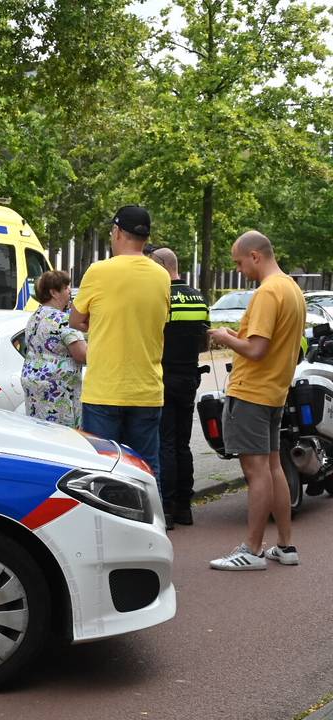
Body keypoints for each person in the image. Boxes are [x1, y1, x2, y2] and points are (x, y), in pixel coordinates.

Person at [207, 231, 306, 570]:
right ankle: (286, 545)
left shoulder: (267, 293)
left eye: (238, 262)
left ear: (255, 256)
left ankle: (252, 549)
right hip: (276, 391)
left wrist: (224, 338)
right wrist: (240, 338)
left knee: (256, 471)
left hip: (251, 392)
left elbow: (257, 350)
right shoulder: (293, 290)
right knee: (274, 466)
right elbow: (272, 345)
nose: (239, 270)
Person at [69, 205, 170, 478]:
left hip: (105, 390)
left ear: (117, 232)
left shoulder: (98, 271)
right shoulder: (162, 276)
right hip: (147, 390)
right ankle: (153, 521)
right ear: (146, 238)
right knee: (147, 469)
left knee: (102, 471)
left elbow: (75, 320)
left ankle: (108, 522)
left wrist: (100, 322)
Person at [151, 247, 209, 527]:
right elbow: (204, 340)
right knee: (183, 443)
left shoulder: (161, 296)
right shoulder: (198, 297)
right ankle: (185, 506)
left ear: (161, 266)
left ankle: (168, 507)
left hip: (164, 375)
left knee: (166, 443)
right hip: (190, 375)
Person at [21, 270, 87, 428]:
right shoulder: (63, 320)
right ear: (54, 293)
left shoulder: (35, 317)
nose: (70, 291)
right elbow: (82, 354)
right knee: (62, 437)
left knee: (39, 432)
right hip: (58, 390)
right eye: (66, 288)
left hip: (34, 386)